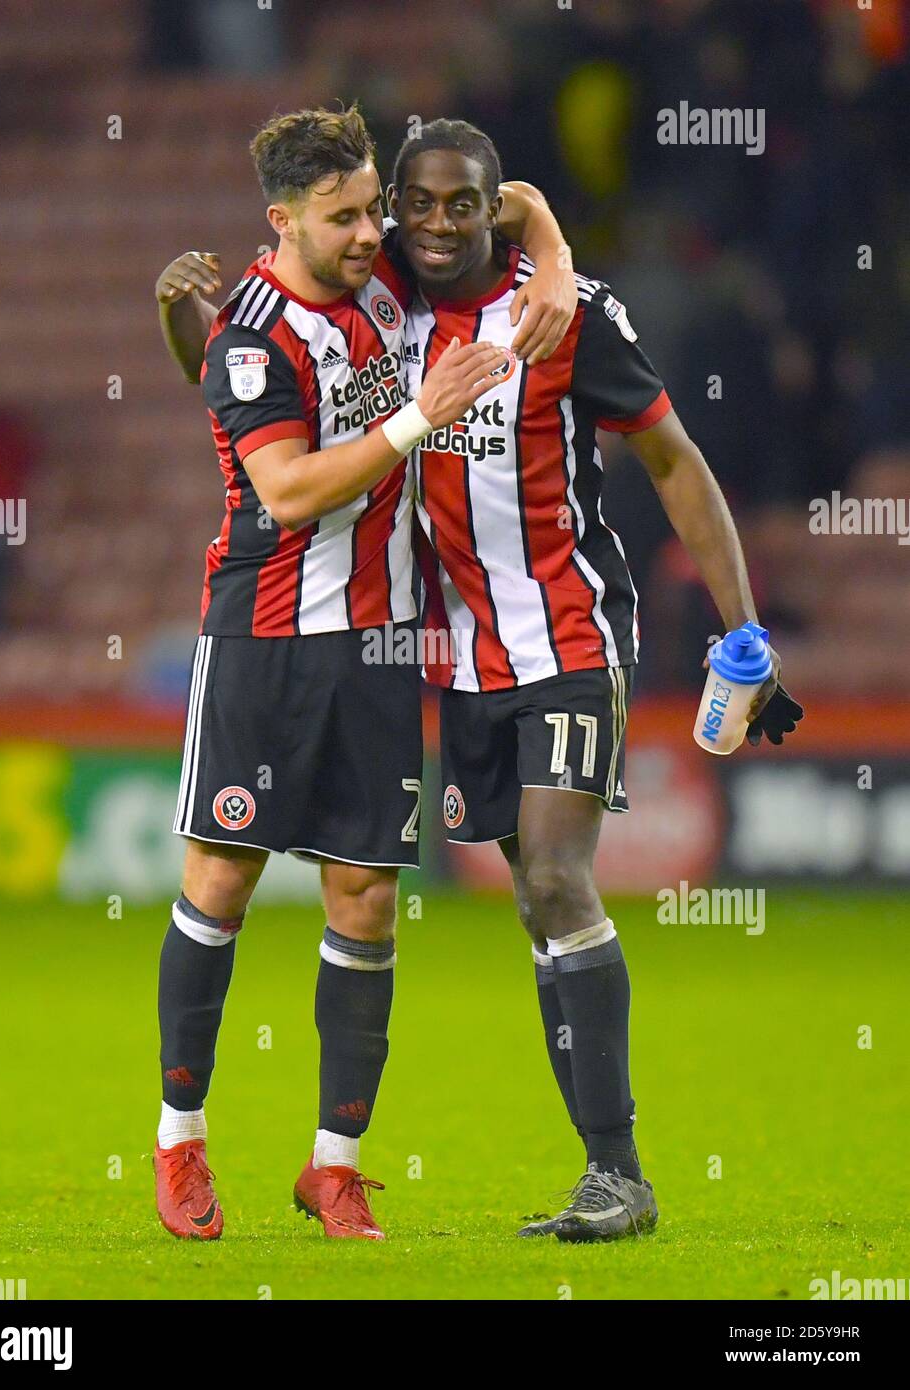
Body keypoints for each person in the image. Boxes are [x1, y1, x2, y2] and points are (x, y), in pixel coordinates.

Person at [152, 105, 579, 1242]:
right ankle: (180, 1141)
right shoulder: (252, 335)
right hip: (265, 639)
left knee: (366, 901)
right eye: (342, 217)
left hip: (385, 639)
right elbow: (288, 490)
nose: (369, 234)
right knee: (221, 886)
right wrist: (415, 417)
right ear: (280, 219)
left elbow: (510, 201)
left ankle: (332, 1165)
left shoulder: (383, 268)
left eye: (371, 210)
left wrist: (559, 260)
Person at [386, 118, 803, 1243]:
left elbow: (673, 459)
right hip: (459, 661)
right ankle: (600, 1172)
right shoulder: (381, 297)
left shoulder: (566, 315)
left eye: (460, 205)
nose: (436, 223)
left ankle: (620, 1174)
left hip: (569, 640)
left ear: (488, 211)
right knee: (533, 905)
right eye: (416, 203)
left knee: (559, 882)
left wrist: (742, 632)